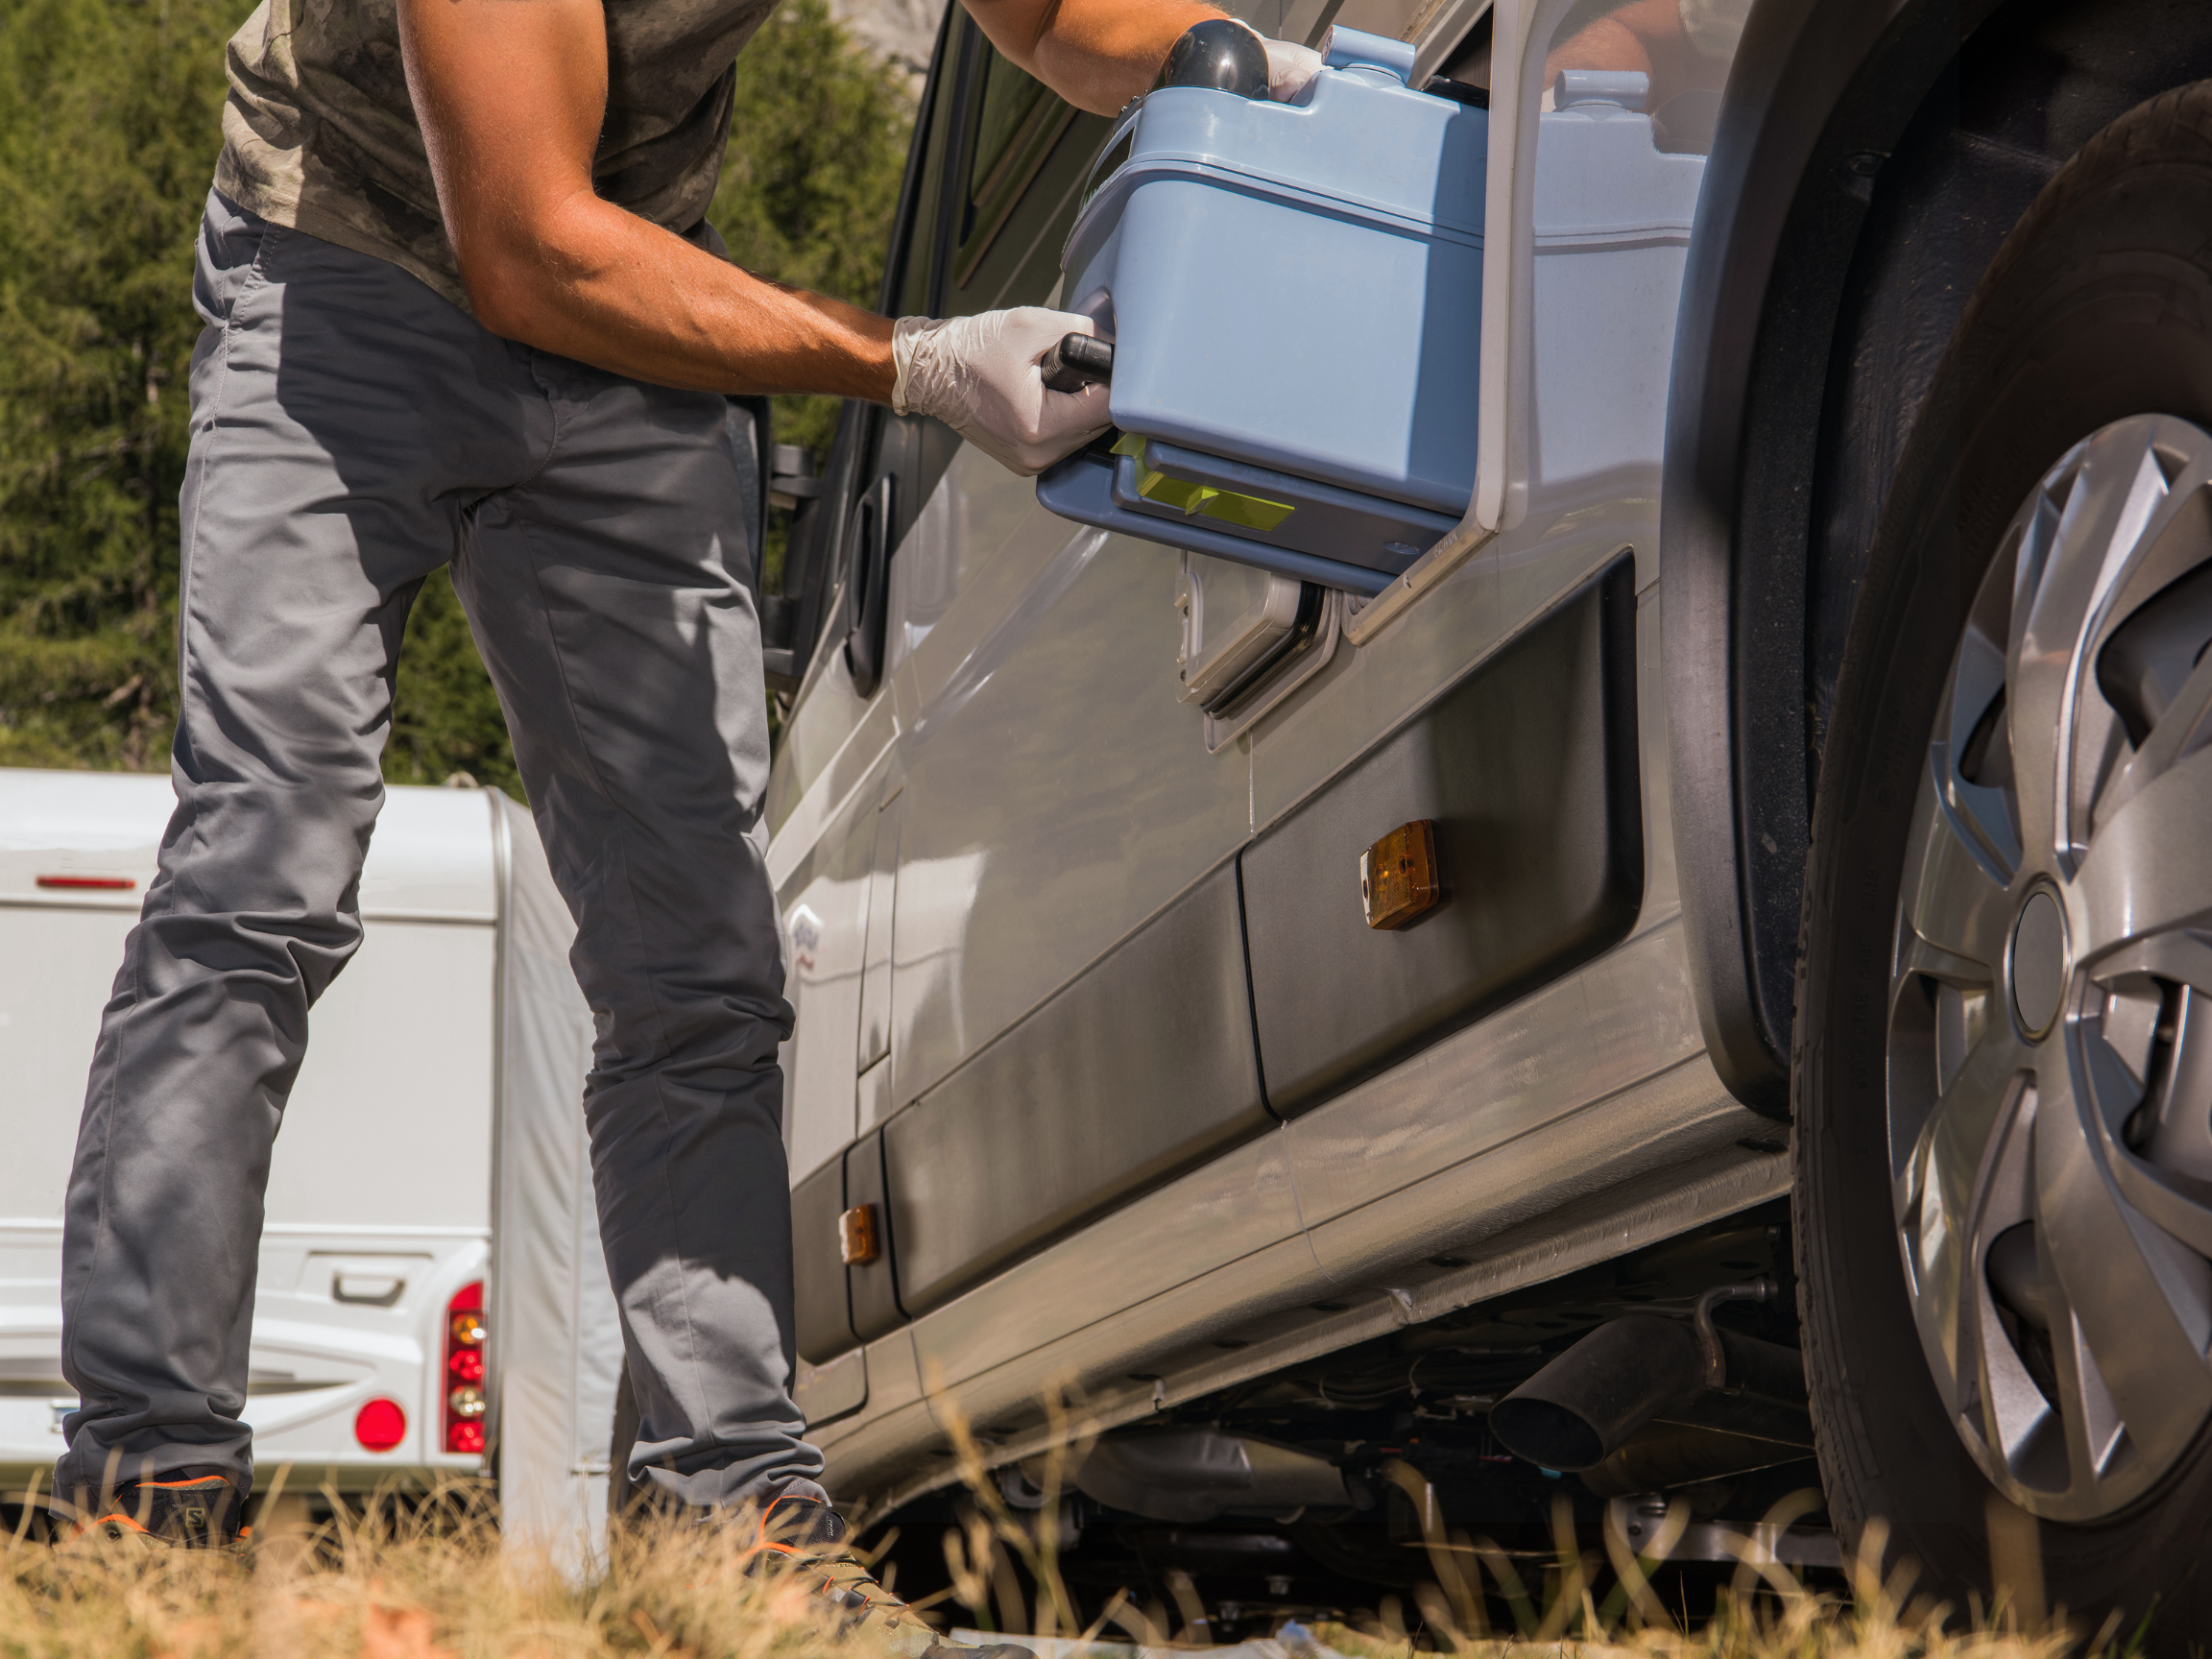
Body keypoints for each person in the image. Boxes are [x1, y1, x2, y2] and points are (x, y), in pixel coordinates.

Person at [51, 0, 1319, 1622]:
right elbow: (526, 247)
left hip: (623, 302)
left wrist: (1281, 65)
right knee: (260, 875)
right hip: (346, 272)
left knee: (699, 967)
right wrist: (917, 364)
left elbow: (1065, 20)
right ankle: (149, 1494)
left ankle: (738, 1532)